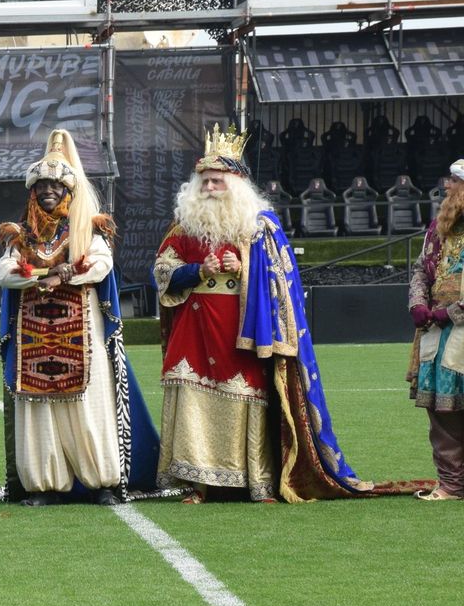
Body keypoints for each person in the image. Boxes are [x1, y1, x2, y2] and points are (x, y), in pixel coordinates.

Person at [153, 124, 372, 502]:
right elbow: (161, 271)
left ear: (236, 183)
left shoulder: (261, 227)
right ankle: (197, 484)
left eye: (216, 181)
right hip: (195, 325)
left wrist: (244, 269)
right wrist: (198, 271)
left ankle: (257, 481)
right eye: (203, 181)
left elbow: (281, 281)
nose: (208, 188)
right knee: (194, 401)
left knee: (247, 401)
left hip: (246, 329)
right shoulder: (183, 226)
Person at [0, 129, 159, 506]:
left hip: (82, 332)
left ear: (69, 191)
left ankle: (101, 481)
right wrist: (34, 275)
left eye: (56, 185)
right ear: (32, 192)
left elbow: (101, 266)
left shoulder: (88, 229)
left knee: (89, 408)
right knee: (40, 414)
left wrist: (64, 273)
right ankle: (44, 485)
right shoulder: (20, 236)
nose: (48, 191)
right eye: (42, 186)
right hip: (33, 339)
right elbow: (5, 272)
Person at [406, 159, 464, 501]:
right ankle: (452, 485)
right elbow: (419, 271)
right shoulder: (437, 227)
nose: (446, 187)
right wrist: (418, 304)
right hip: (434, 333)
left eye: (454, 181)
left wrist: (450, 313)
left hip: (455, 327)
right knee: (442, 413)